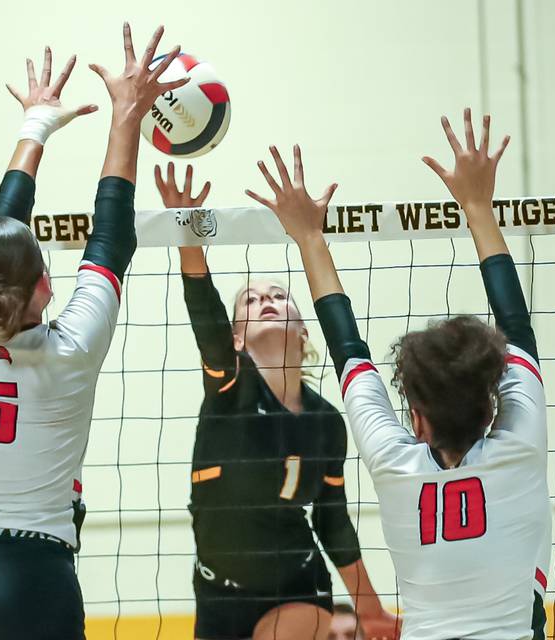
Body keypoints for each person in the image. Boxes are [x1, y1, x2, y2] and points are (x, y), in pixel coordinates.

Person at [0, 26, 188, 640]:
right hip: (30, 577)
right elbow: (112, 236)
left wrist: (35, 124)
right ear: (46, 283)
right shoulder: (70, 351)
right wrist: (127, 114)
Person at [248, 110, 549, 638]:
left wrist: (309, 238)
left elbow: (347, 348)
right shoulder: (518, 445)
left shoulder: (396, 462)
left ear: (416, 418)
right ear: (491, 402)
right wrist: (478, 205)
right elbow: (517, 329)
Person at [155, 163, 400, 640]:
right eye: (250, 300)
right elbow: (204, 317)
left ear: (304, 329)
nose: (266, 300)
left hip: (298, 587)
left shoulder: (326, 420)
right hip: (215, 594)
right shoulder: (229, 389)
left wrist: (370, 609)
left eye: (279, 296)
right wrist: (187, 233)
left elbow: (333, 520)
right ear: (238, 338)